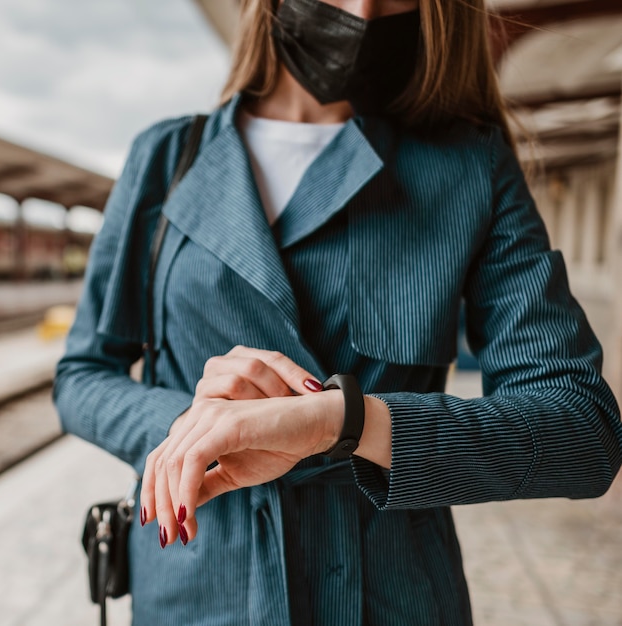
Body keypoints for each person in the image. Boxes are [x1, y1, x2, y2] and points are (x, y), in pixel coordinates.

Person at [54, 0, 622, 624]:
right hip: (195, 587)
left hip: (389, 597)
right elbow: (82, 375)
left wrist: (348, 422)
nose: (362, 10)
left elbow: (583, 431)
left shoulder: (468, 165)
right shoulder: (165, 158)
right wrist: (197, 426)